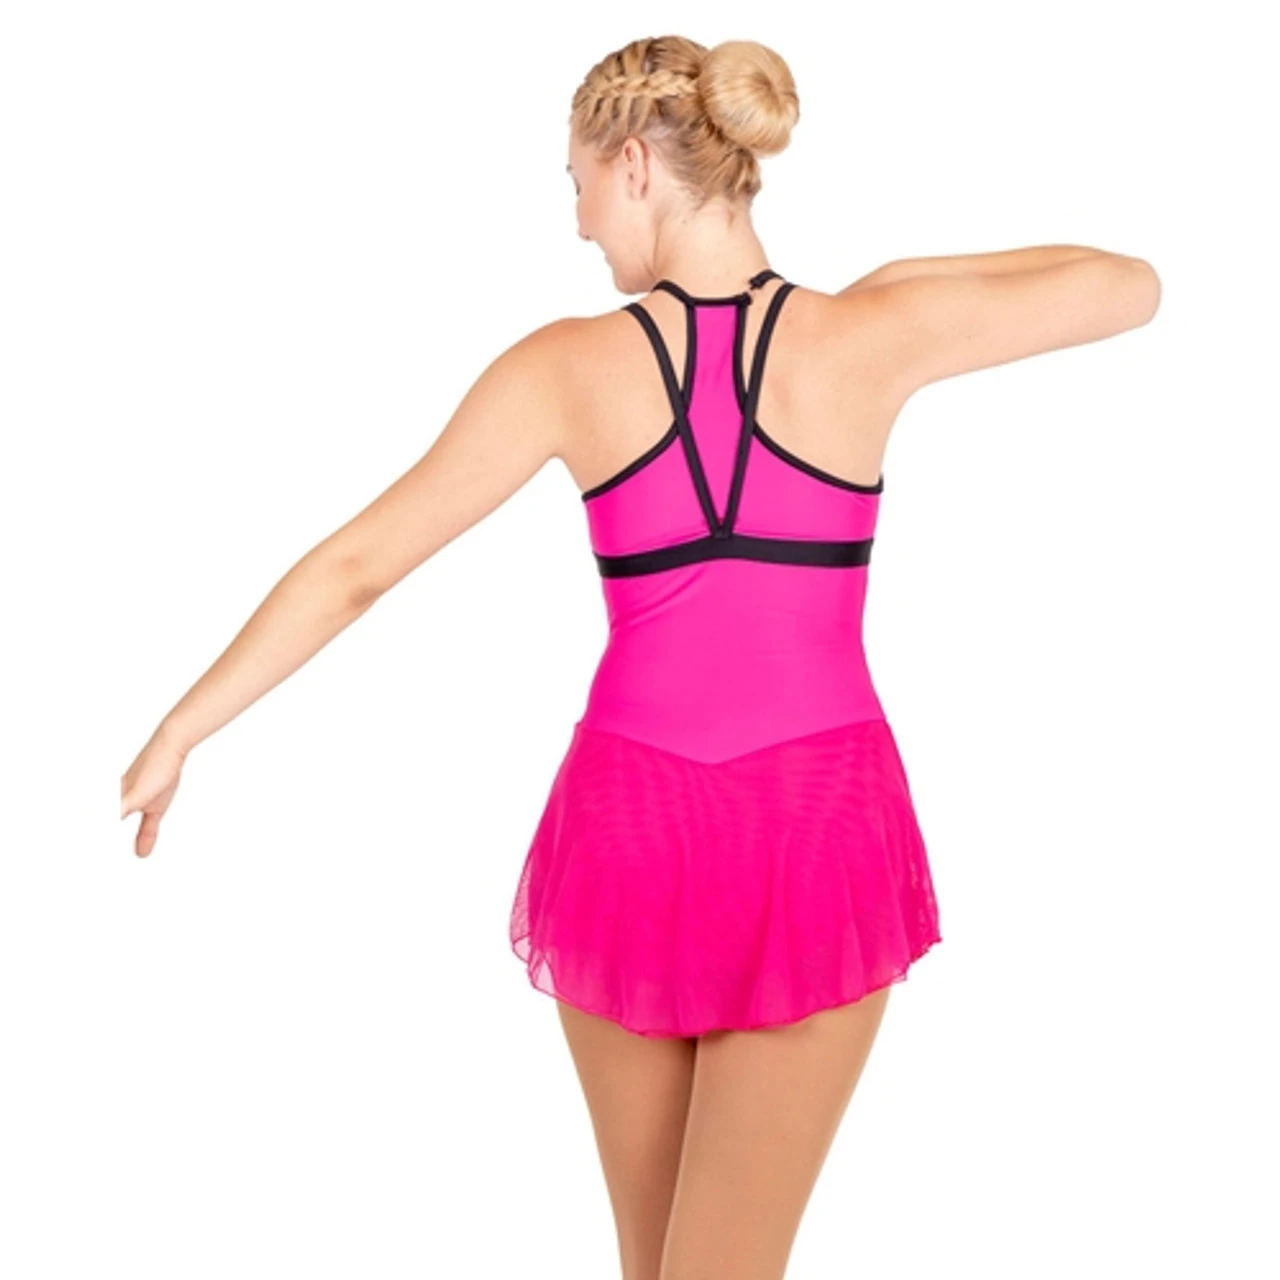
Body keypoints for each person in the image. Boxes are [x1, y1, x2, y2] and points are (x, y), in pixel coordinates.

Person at [121, 33, 1161, 1280]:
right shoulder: (870, 333)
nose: (575, 222)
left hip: (630, 827)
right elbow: (1128, 284)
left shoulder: (563, 367)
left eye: (574, 184)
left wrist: (183, 727)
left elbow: (357, 565)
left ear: (631, 165)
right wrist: (887, 289)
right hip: (809, 822)